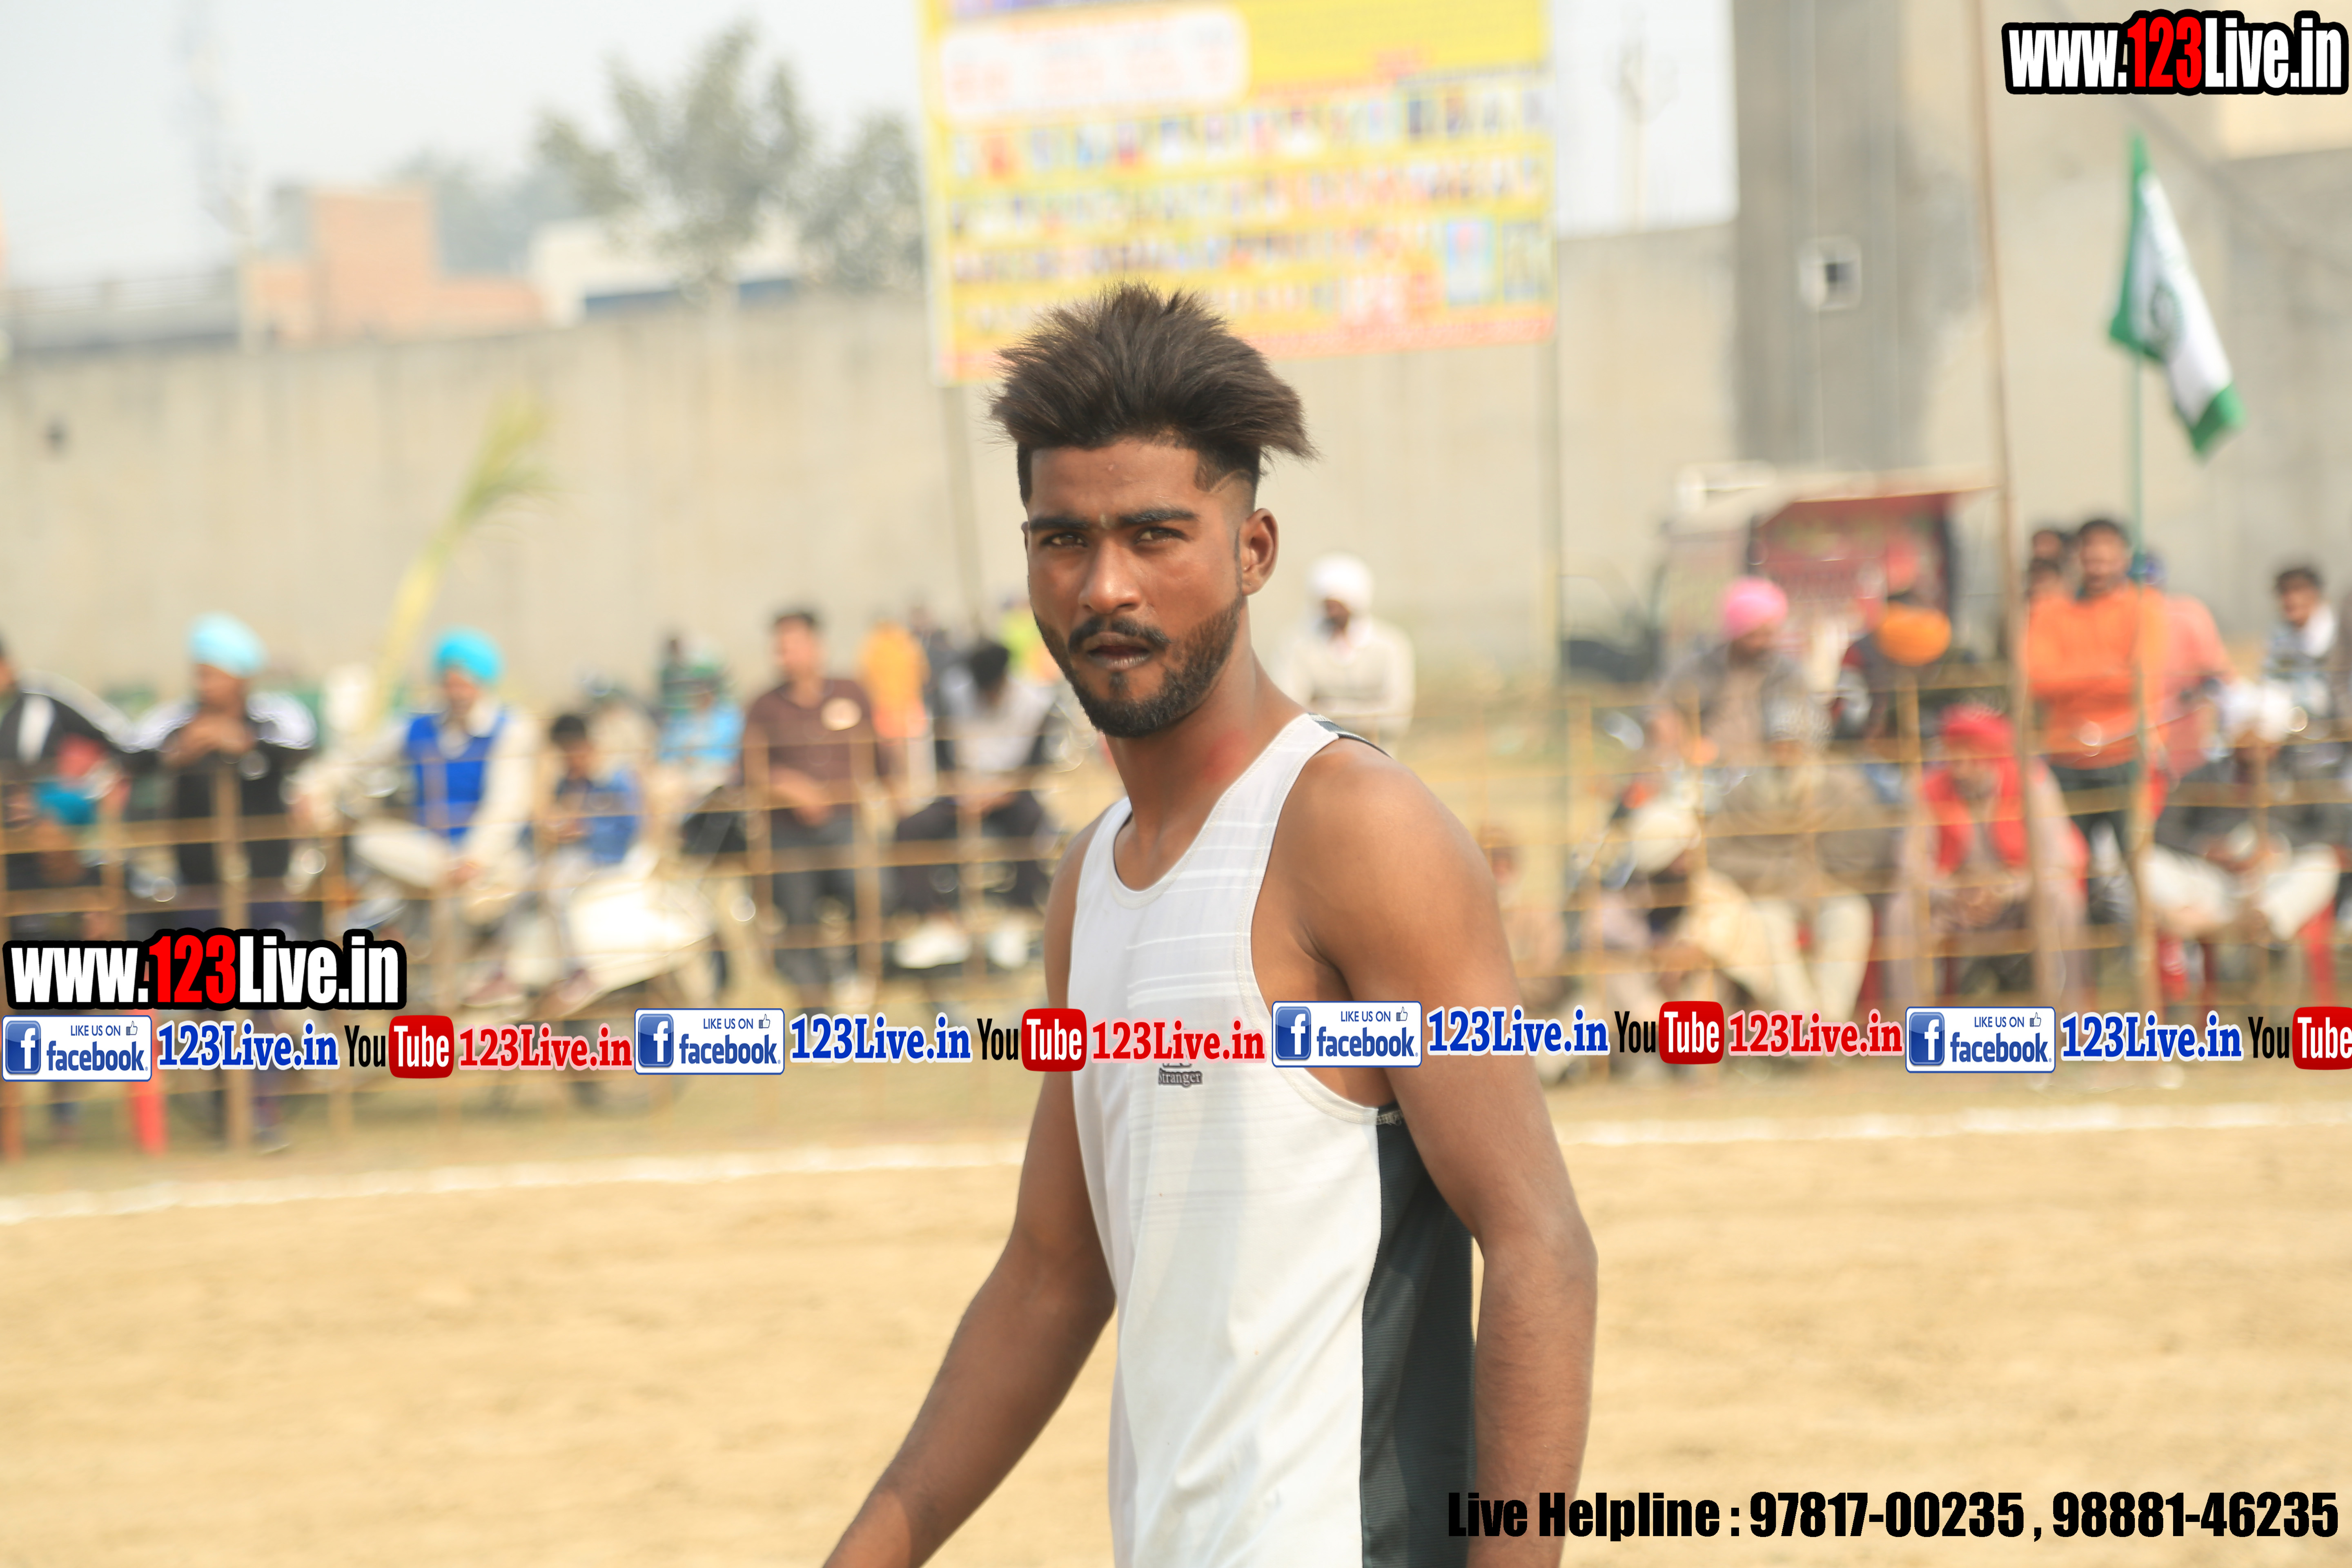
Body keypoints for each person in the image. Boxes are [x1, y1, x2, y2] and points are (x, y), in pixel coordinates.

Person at [824, 285, 1595, 1568]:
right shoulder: (1091, 882)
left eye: (1155, 535)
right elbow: (1051, 1273)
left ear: (1254, 549)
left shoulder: (1355, 829)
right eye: (1062, 539)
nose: (1105, 586)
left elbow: (1540, 1246)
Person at [125, 614, 317, 929]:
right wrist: (178, 753)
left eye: (215, 676)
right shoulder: (175, 719)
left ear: (242, 678)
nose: (205, 685)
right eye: (201, 675)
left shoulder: (275, 715)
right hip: (199, 884)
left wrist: (243, 743)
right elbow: (131, 754)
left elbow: (302, 746)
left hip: (265, 881)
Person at [342, 628, 537, 935]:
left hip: (489, 856)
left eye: (464, 684)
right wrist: (316, 787)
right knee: (369, 840)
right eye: (450, 684)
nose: (456, 693)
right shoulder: (417, 726)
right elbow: (359, 760)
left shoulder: (510, 730)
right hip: (432, 853)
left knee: (491, 893)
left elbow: (507, 804)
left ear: (481, 684)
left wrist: (476, 858)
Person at [743, 608, 886, 1007]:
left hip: (844, 822)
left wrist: (899, 801)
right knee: (796, 913)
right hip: (788, 832)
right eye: (779, 648)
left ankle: (856, 972)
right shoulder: (763, 707)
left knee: (873, 889)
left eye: (791, 646)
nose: (783, 655)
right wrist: (785, 785)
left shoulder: (852, 693)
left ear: (816, 646)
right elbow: (749, 770)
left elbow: (882, 759)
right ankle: (813, 1003)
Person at [2025, 516, 2168, 911]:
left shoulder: (2146, 607)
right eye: (2090, 551)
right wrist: (2107, 671)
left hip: (2127, 754)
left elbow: (2140, 680)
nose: (2098, 561)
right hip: (2065, 756)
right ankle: (2084, 946)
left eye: (2107, 551)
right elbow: (2037, 680)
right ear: (2076, 556)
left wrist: (2073, 677)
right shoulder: (2050, 611)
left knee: (2140, 864)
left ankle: (2149, 943)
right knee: (2070, 867)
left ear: (2123, 556)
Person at [890, 640, 1059, 972]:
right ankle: (937, 921)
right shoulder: (951, 695)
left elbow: (1035, 768)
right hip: (962, 794)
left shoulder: (1035, 701)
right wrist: (963, 791)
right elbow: (943, 760)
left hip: (1011, 795)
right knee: (909, 830)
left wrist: (998, 794)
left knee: (1033, 820)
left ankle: (1018, 914)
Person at [2143, 683, 2348, 950]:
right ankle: (2213, 923)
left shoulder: (2303, 777)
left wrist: (2280, 849)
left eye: (2262, 739)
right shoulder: (2203, 776)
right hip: (2213, 880)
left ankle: (2261, 922)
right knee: (2146, 861)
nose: (2253, 747)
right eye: (2245, 738)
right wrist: (2204, 848)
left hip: (2277, 878)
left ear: (2277, 741)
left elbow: (2335, 828)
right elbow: (2164, 829)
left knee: (2322, 861)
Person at [1919, 706, 2088, 997]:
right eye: (1955, 759)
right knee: (1903, 909)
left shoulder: (2032, 782)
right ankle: (1908, 1015)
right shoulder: (1929, 787)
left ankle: (2070, 1011)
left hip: (2020, 894)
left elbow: (2061, 862)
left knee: (2063, 898)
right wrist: (1954, 892)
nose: (1961, 770)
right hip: (1957, 898)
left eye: (1972, 759)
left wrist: (2005, 890)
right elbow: (1912, 866)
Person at [1653, 576, 1819, 767]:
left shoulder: (1786, 675)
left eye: (1768, 635)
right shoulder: (1699, 668)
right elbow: (1659, 709)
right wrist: (1679, 738)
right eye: (1752, 636)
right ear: (1735, 633)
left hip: (1765, 770)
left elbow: (1802, 730)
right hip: (1706, 770)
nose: (1761, 643)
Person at [1272, 552, 1417, 744]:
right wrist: (1369, 712)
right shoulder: (1297, 646)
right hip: (1317, 755)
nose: (1332, 612)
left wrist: (1326, 709)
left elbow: (1397, 718)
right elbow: (1290, 713)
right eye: (1328, 605)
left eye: (1340, 604)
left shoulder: (1391, 646)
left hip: (1378, 754)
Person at [2263, 564, 2342, 778]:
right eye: (2284, 593)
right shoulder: (2280, 636)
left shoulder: (2339, 633)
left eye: (2298, 591)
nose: (2291, 600)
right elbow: (2273, 685)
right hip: (2294, 746)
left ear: (2315, 594)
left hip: (2337, 745)